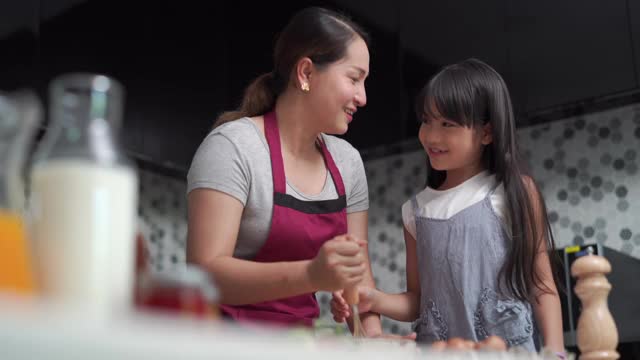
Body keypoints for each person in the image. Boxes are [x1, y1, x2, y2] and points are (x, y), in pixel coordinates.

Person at [331, 59, 565, 355]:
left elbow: (541, 285)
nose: (431, 135)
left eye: (447, 124)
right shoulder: (415, 212)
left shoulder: (515, 192)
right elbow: (419, 301)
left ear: (487, 133)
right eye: (427, 120)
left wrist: (555, 352)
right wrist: (372, 299)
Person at [186, 6, 384, 332]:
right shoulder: (233, 146)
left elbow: (357, 274)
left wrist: (372, 342)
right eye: (354, 78)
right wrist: (311, 275)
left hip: (298, 344)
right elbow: (203, 273)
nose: (362, 97)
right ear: (306, 73)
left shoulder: (348, 163)